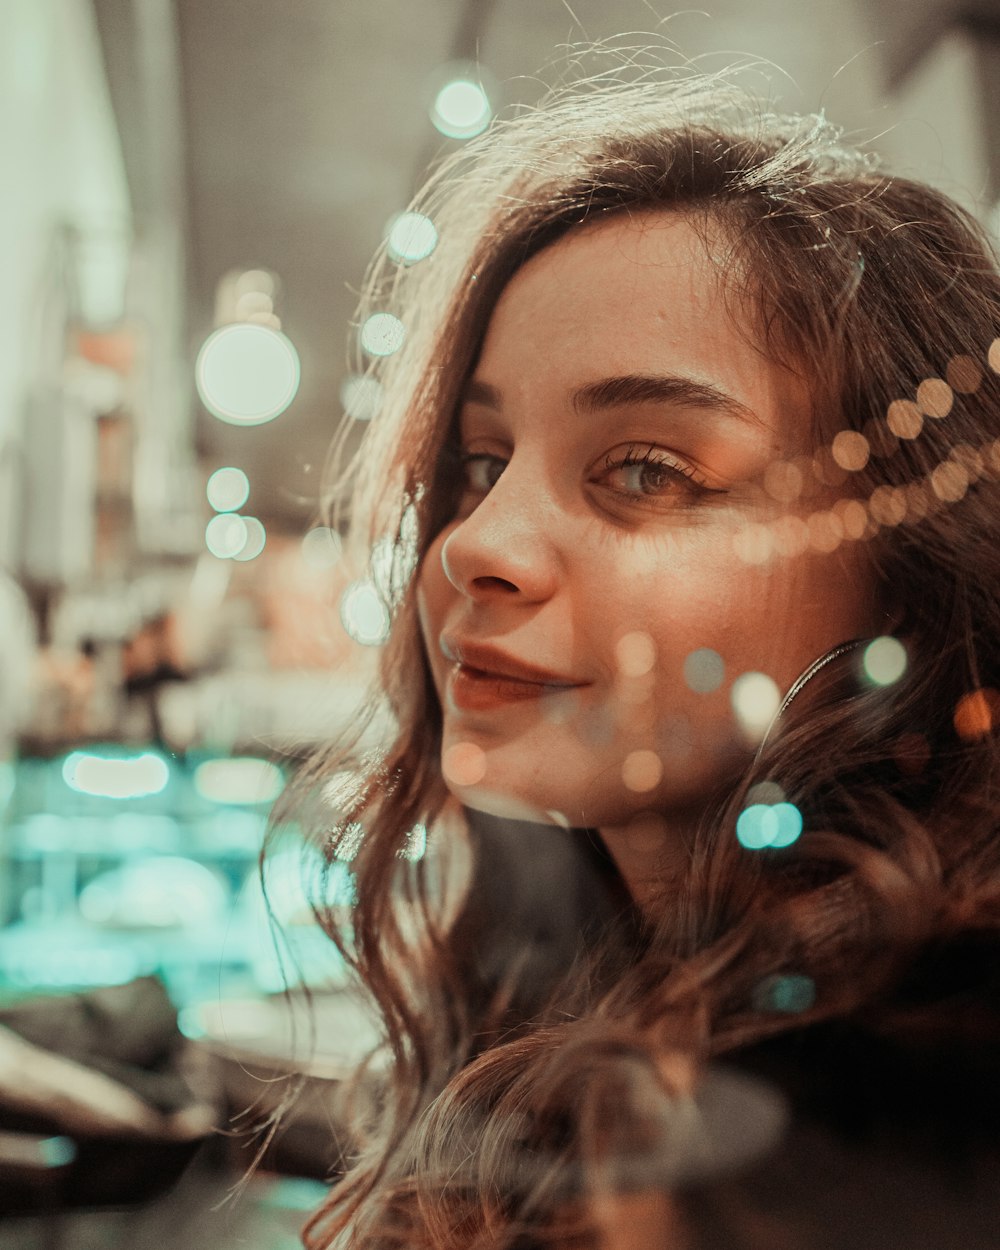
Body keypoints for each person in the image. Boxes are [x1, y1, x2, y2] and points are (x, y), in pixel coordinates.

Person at [284, 63, 1000, 1249]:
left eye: (647, 470)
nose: (478, 543)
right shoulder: (555, 1001)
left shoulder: (898, 1134)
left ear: (909, 570)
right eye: (479, 460)